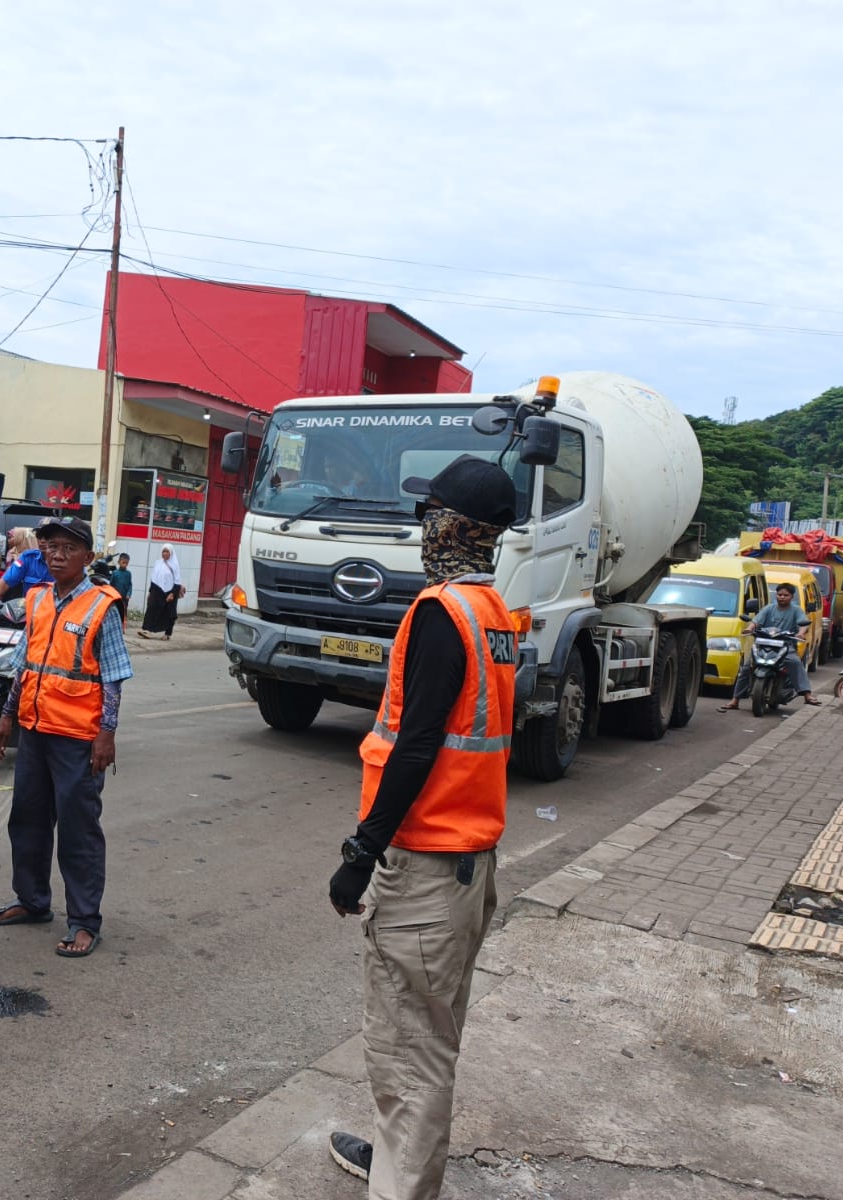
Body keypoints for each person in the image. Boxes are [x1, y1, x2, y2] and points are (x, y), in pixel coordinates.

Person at [326, 455, 520, 1197]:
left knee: (410, 1052)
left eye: (428, 514)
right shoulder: (492, 611)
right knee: (426, 1037)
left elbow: (416, 745)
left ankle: (401, 1182)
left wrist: (361, 851)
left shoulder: (442, 611)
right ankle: (395, 1158)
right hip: (467, 863)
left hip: (428, 870)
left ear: (453, 527)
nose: (420, 528)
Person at [0, 516, 131, 958]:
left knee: (77, 830)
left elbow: (113, 677)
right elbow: (25, 665)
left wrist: (107, 733)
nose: (57, 555)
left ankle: (84, 921)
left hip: (78, 739)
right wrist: (7, 717)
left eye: (69, 548)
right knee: (27, 821)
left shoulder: (102, 605)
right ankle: (32, 901)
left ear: (88, 557)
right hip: (34, 730)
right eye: (51, 547)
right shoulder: (37, 599)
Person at [719, 580, 819, 709]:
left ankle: (807, 695)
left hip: (785, 646)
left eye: (785, 595)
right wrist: (749, 629)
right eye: (779, 594)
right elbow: (756, 622)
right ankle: (735, 700)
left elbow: (803, 624)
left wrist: (800, 633)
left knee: (795, 663)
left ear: (791, 597)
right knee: (746, 667)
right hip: (763, 644)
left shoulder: (796, 610)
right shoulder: (768, 608)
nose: (782, 597)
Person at [0, 527, 52, 618]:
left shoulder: (64, 564)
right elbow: (5, 582)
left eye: (47, 536)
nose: (42, 540)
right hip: (27, 616)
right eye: (40, 536)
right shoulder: (28, 558)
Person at [138, 545, 182, 640]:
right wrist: (150, 592)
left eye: (167, 551)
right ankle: (146, 630)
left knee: (169, 613)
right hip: (157, 590)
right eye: (163, 551)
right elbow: (154, 578)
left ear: (171, 553)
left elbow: (177, 581)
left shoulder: (175, 565)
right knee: (151, 608)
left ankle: (168, 634)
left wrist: (172, 594)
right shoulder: (158, 563)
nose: (164, 553)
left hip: (170, 592)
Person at [108, 553, 134, 623]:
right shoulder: (115, 573)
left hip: (125, 598)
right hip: (116, 597)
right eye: (123, 562)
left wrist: (128, 594)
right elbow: (111, 585)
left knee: (124, 612)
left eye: (126, 563)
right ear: (119, 562)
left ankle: (123, 625)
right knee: (115, 611)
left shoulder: (128, 574)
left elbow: (130, 585)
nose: (125, 564)